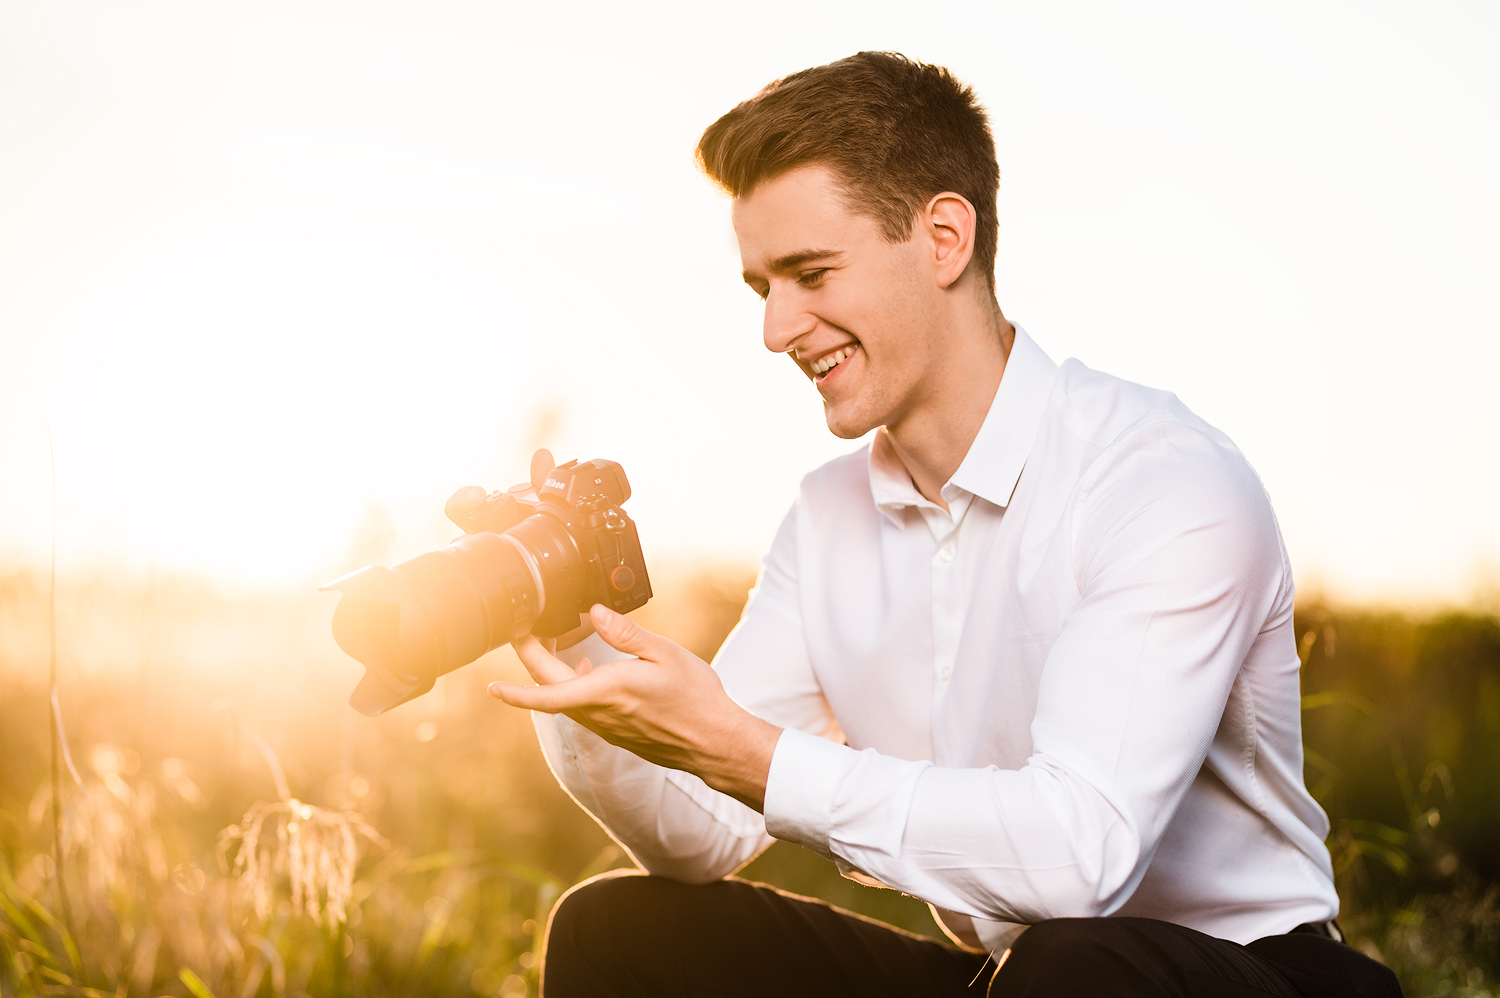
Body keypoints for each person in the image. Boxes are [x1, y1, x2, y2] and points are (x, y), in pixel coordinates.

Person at [485, 52, 1403, 997]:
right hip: (1012, 978)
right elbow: (703, 835)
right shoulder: (827, 517)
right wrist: (579, 651)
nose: (775, 328)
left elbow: (1082, 856)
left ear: (944, 238)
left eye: (810, 273)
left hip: (1248, 977)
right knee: (619, 928)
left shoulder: (1161, 479)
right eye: (764, 286)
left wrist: (752, 753)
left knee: (1070, 966)